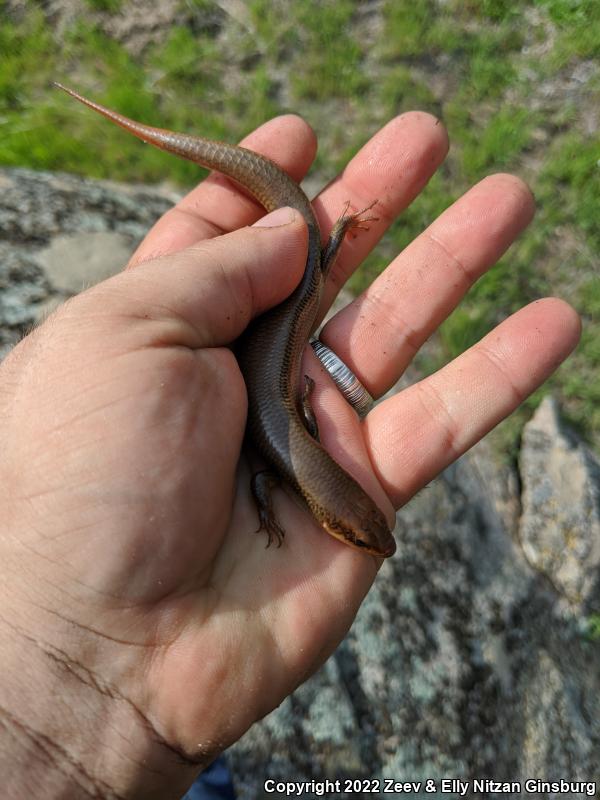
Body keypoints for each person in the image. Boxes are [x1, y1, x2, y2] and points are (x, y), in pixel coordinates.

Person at [0, 111, 580, 799]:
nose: (369, 537)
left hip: (277, 350)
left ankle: (322, 237)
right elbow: (273, 468)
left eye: (363, 528)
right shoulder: (290, 466)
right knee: (304, 275)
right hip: (281, 337)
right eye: (363, 530)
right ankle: (321, 236)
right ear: (335, 516)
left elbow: (293, 431)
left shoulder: (297, 461)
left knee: (305, 279)